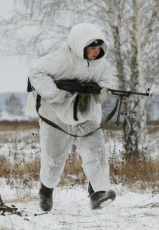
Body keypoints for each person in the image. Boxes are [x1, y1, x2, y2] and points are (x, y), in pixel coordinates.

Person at [26, 23, 117, 211]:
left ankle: (99, 193)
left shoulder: (101, 65)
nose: (96, 51)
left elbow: (106, 83)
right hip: (56, 115)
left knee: (96, 152)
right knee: (53, 159)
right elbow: (35, 71)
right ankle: (46, 190)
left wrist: (102, 92)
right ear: (80, 46)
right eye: (92, 47)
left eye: (99, 47)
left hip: (86, 114)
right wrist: (56, 95)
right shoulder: (60, 59)